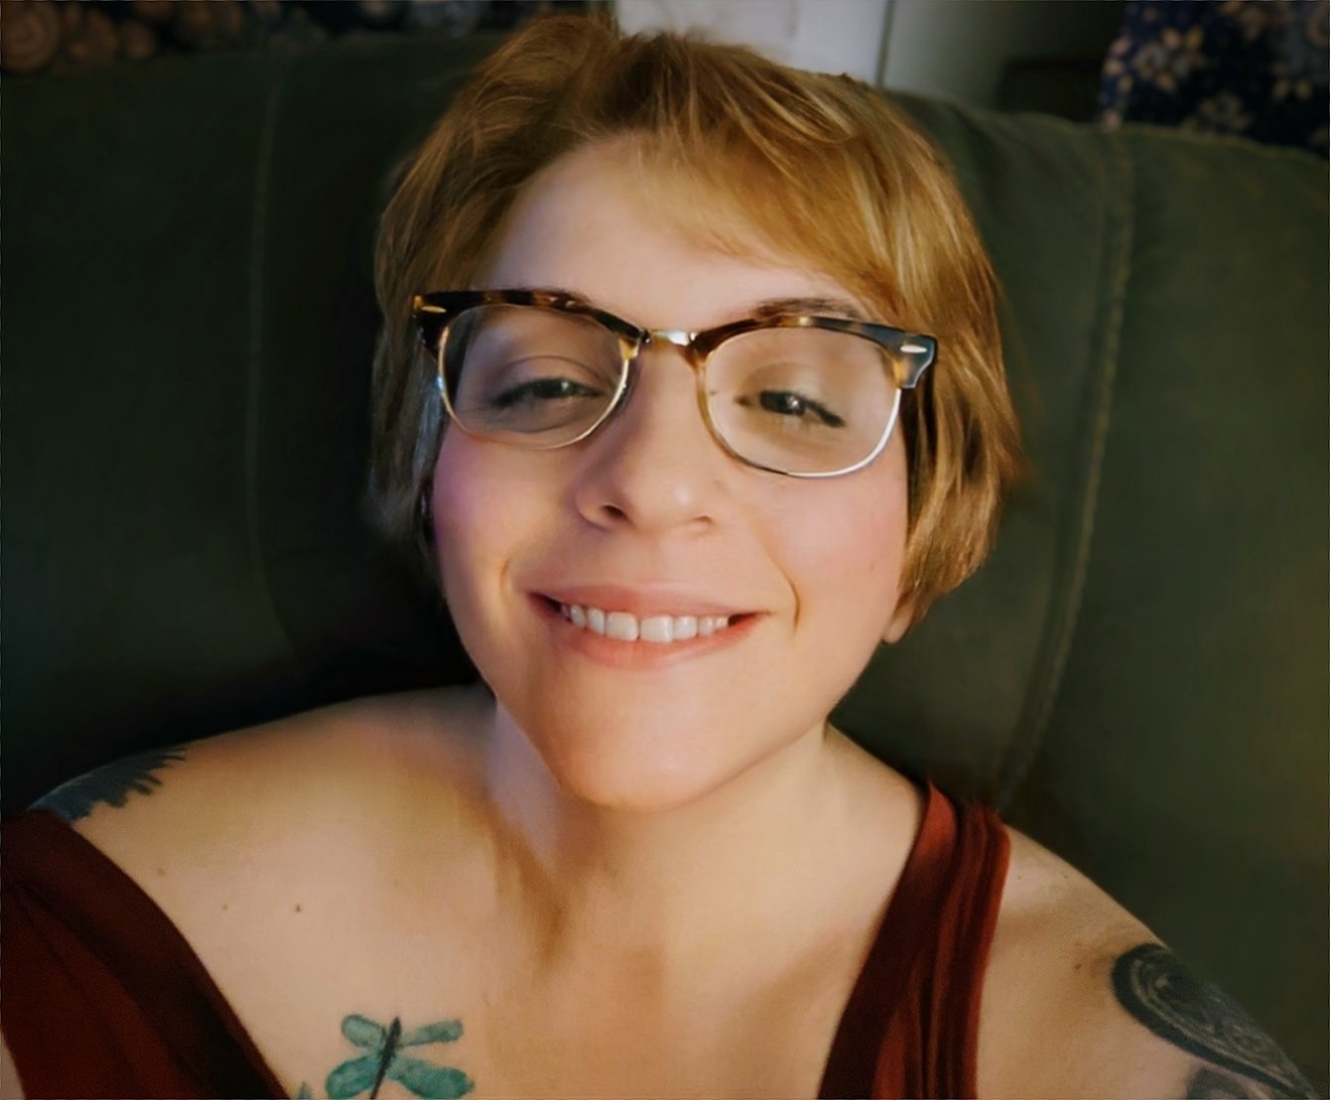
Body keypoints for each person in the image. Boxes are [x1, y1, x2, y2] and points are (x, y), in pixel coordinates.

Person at [1, 13, 1315, 1100]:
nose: (651, 482)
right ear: (429, 468)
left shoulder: (1103, 1058)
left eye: (792, 401)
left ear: (926, 528)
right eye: (548, 385)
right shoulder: (89, 916)